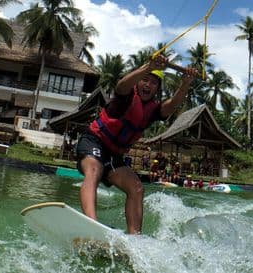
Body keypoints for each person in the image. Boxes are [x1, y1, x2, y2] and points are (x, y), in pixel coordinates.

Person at [75, 55, 197, 234]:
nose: (148, 85)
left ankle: (135, 238)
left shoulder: (154, 110)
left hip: (114, 156)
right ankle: (91, 224)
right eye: (144, 80)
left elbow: (171, 106)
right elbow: (121, 86)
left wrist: (185, 83)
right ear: (138, 81)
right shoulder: (125, 96)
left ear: (157, 89)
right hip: (94, 142)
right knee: (94, 170)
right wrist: (148, 68)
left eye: (153, 83)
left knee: (136, 187)